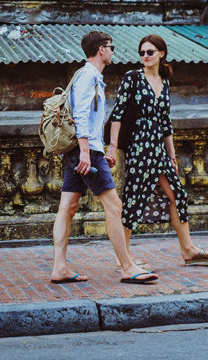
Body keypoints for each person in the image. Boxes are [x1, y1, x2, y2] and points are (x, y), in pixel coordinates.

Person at [50, 31, 159, 285]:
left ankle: (59, 268)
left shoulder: (89, 76)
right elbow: (80, 114)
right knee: (114, 206)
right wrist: (87, 152)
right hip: (84, 151)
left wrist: (97, 149)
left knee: (68, 208)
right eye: (111, 47)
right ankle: (127, 267)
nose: (112, 51)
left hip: (81, 150)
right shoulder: (88, 75)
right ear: (101, 50)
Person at [108, 35, 208, 268]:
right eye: (142, 52)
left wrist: (172, 155)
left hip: (159, 149)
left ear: (162, 54)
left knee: (178, 195)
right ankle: (122, 257)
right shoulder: (132, 77)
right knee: (134, 199)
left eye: (150, 52)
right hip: (139, 148)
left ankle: (188, 249)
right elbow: (117, 115)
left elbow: (165, 123)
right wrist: (112, 148)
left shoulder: (164, 82)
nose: (145, 56)